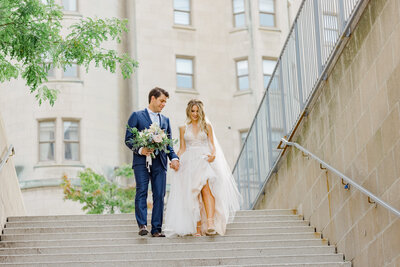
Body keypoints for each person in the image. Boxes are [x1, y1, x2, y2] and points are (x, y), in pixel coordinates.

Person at [164, 99, 241, 237]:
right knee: (193, 194)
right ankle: (197, 228)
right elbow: (182, 148)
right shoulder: (183, 128)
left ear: (201, 111)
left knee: (206, 189)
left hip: (203, 160)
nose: (195, 113)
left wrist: (213, 155)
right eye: (192, 111)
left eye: (197, 111)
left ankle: (210, 224)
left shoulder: (207, 126)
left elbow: (213, 145)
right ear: (188, 111)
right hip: (189, 162)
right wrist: (176, 160)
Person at [125, 87, 180, 237]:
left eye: (165, 102)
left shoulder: (165, 120)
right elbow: (128, 139)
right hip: (141, 162)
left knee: (159, 195)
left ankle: (156, 229)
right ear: (153, 99)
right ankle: (142, 225)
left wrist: (174, 158)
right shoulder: (136, 116)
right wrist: (141, 149)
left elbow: (169, 144)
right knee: (142, 190)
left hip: (160, 163)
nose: (163, 104)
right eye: (162, 101)